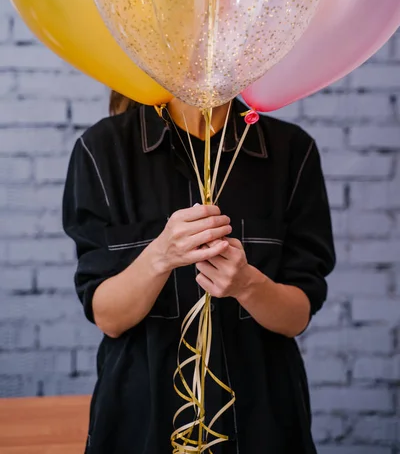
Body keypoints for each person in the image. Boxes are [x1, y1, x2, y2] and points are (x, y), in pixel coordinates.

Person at [63, 93, 335, 454]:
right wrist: (160, 256)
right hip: (141, 423)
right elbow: (108, 317)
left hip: (262, 423)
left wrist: (247, 285)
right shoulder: (102, 151)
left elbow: (297, 316)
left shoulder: (291, 151)